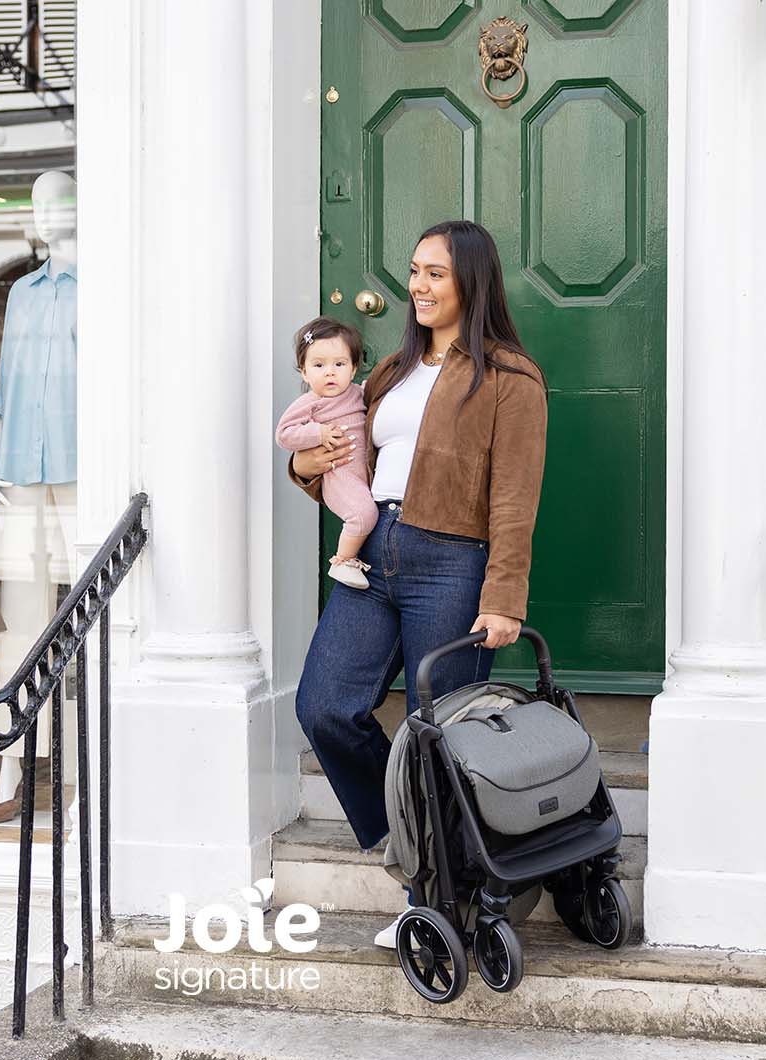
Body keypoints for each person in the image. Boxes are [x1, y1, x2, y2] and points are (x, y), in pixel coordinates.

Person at [286, 220, 548, 948]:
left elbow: (515, 498)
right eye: (414, 271)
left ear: (472, 280)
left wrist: (503, 596)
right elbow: (339, 462)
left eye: (437, 273)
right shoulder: (390, 372)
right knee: (325, 707)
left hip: (453, 562)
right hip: (374, 555)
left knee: (442, 736)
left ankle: (434, 899)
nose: (419, 286)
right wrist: (305, 466)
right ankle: (413, 846)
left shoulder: (510, 378)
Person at [274, 317, 378, 589]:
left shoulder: (358, 394)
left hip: (362, 473)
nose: (329, 373)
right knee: (363, 514)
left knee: (371, 508)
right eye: (319, 365)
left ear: (353, 369)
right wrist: (318, 433)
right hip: (338, 475)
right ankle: (344, 561)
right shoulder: (310, 403)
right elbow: (284, 434)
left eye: (339, 364)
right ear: (304, 373)